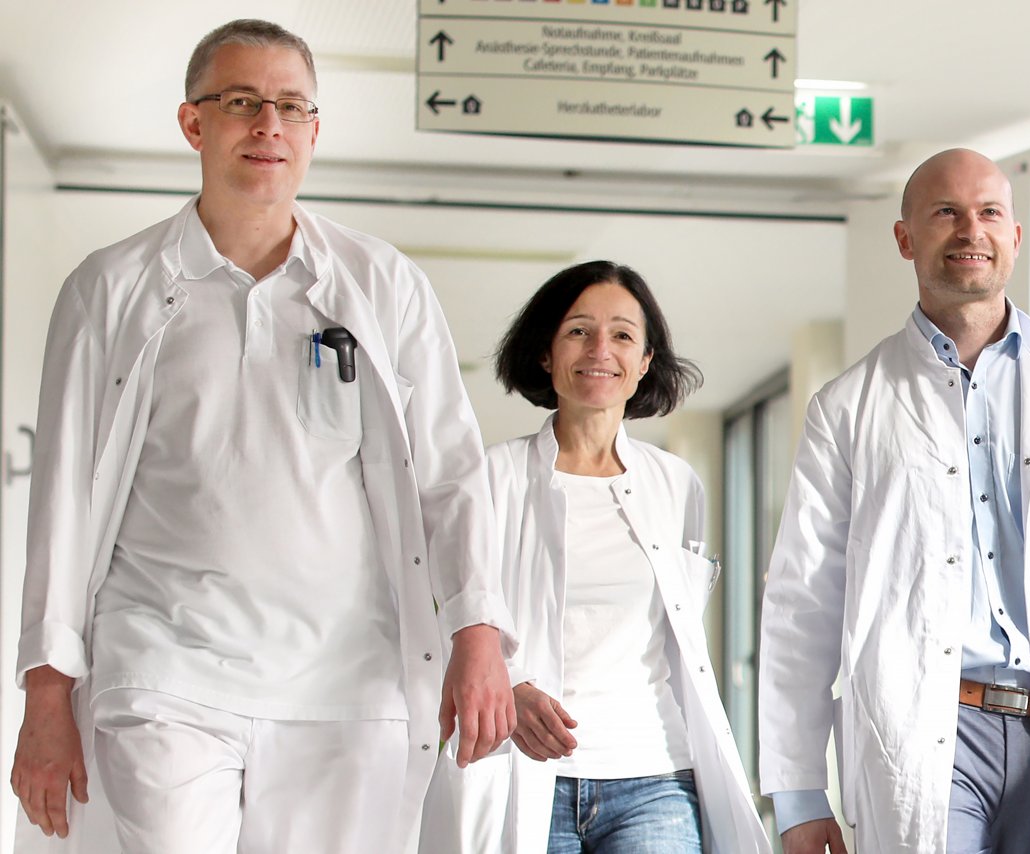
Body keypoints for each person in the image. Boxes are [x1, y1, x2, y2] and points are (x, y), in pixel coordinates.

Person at [9, 19, 515, 854]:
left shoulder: (383, 286)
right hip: (163, 668)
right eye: (242, 102)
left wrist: (478, 633)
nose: (269, 126)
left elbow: (450, 475)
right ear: (192, 123)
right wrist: (46, 692)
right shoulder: (109, 289)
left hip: (346, 684)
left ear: (315, 130)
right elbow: (62, 497)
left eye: (291, 107)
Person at [757, 149, 1030, 854]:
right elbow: (803, 603)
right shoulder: (849, 408)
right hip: (923, 727)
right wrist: (798, 791)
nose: (968, 231)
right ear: (905, 238)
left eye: (988, 213)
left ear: (1014, 235)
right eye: (945, 212)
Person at [421, 261, 771, 853]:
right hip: (527, 773)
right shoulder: (488, 478)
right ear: (545, 355)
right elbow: (438, 619)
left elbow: (677, 640)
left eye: (622, 335)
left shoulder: (677, 485)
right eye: (578, 331)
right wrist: (508, 688)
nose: (599, 350)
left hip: (654, 773)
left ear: (644, 363)